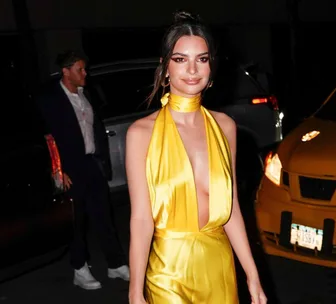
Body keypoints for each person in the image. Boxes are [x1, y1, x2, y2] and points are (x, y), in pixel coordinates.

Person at [126, 10, 267, 304]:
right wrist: (135, 291)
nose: (192, 69)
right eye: (180, 59)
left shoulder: (225, 127)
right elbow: (141, 218)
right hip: (168, 273)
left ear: (211, 67)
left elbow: (231, 211)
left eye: (202, 59)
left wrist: (252, 276)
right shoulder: (141, 133)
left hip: (219, 266)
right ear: (165, 67)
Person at [36, 50, 129, 290]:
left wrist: (102, 160)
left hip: (91, 163)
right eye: (80, 69)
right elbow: (46, 137)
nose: (85, 73)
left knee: (103, 216)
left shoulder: (85, 94)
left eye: (84, 68)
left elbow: (95, 129)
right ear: (66, 72)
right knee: (77, 221)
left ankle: (115, 264)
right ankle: (79, 268)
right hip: (70, 167)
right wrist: (57, 169)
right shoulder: (51, 99)